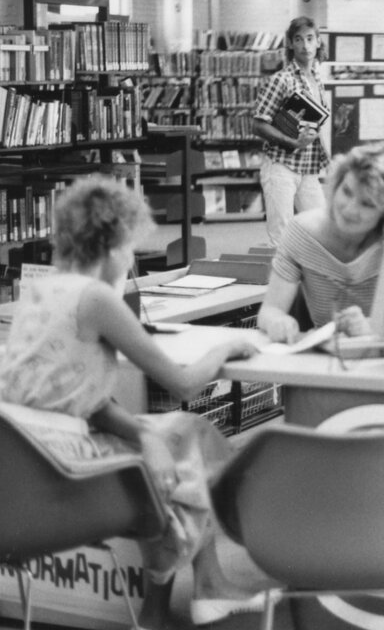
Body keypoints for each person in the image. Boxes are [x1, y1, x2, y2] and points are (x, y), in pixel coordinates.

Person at [0, 178, 263, 629]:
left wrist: (143, 432)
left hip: (22, 472)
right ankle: (186, 596)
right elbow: (181, 383)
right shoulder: (97, 298)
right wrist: (228, 347)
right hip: (66, 475)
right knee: (193, 435)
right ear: (115, 246)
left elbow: (75, 398)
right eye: (130, 248)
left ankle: (201, 588)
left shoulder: (38, 294)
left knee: (171, 438)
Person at [256, 141, 384, 343]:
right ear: (337, 183)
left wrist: (371, 327)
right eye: (347, 191)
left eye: (367, 203)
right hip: (323, 360)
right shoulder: (301, 232)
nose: (350, 210)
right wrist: (277, 322)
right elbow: (270, 310)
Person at [252, 16, 330, 246]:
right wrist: (292, 142)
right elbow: (258, 124)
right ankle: (281, 282)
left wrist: (327, 158)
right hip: (280, 166)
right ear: (290, 44)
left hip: (308, 168)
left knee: (321, 232)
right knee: (282, 237)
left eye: (310, 39)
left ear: (318, 42)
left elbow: (314, 126)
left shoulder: (317, 79)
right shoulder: (281, 79)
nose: (305, 46)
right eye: (299, 39)